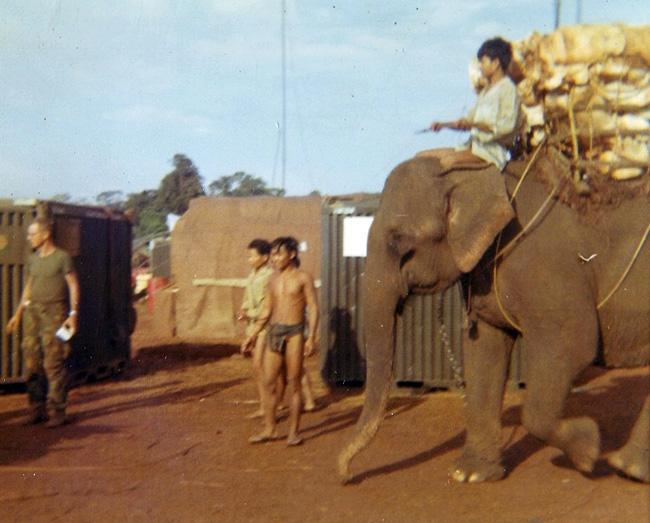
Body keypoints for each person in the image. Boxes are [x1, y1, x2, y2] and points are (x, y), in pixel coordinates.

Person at [242, 236, 319, 446]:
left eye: (278, 254)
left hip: (295, 334)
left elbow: (312, 307)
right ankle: (270, 429)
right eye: (273, 255)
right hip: (274, 333)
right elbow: (267, 310)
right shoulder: (272, 280)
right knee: (268, 383)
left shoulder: (303, 277)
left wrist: (311, 336)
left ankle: (293, 433)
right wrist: (252, 334)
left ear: (291, 254)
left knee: (294, 383)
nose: (274, 259)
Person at [6, 217, 80, 428]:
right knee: (32, 362)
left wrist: (73, 314)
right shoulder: (32, 259)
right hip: (33, 313)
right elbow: (28, 288)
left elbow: (73, 286)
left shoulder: (62, 258)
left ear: (45, 234)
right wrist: (18, 314)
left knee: (54, 362)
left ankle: (58, 411)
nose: (29, 238)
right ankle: (36, 410)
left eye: (32, 234)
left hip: (56, 314)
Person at [423, 37, 521, 172]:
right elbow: (468, 121)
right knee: (424, 157)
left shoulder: (508, 89)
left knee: (447, 162)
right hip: (472, 147)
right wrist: (444, 125)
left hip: (490, 152)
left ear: (496, 63)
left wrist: (473, 125)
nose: (480, 66)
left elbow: (506, 127)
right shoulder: (485, 92)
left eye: (483, 62)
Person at [237, 239, 275, 419]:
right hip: (253, 325)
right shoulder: (253, 275)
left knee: (260, 365)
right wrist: (244, 310)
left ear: (265, 257)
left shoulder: (269, 277)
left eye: (252, 256)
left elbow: (267, 307)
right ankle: (265, 405)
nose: (249, 260)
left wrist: (249, 314)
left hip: (265, 327)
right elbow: (247, 297)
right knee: (258, 367)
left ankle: (269, 406)